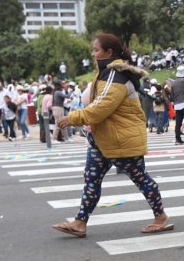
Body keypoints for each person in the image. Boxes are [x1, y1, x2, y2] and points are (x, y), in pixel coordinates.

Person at [52, 33, 172, 238]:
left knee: (140, 178)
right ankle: (80, 222)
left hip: (121, 139)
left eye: (96, 50)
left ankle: (160, 217)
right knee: (91, 179)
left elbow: (101, 108)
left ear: (109, 52)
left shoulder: (115, 76)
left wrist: (73, 117)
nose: (93, 53)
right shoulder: (105, 73)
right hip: (103, 139)